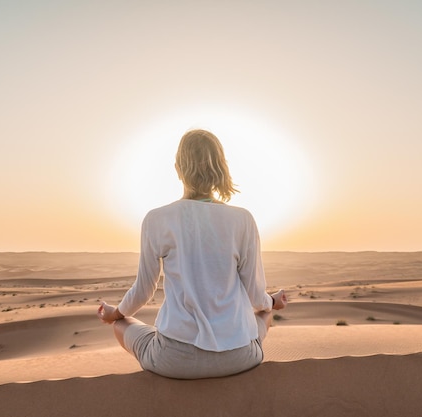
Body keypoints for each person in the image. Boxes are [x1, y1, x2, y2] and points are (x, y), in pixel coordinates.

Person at [97, 129, 287, 379]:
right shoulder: (243, 219)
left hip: (175, 361)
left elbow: (143, 291)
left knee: (122, 324)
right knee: (265, 314)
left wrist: (115, 313)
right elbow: (256, 298)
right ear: (221, 166)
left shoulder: (156, 219)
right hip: (240, 358)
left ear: (178, 168)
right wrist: (272, 302)